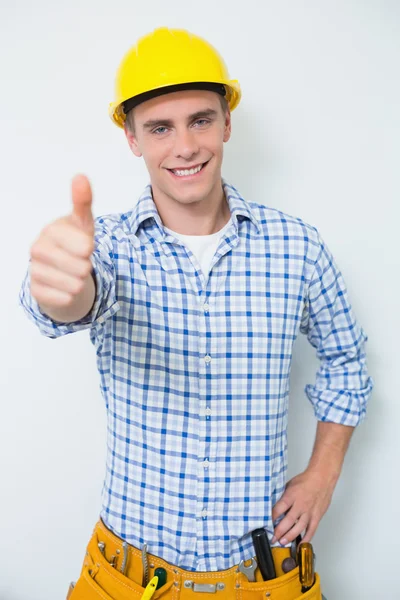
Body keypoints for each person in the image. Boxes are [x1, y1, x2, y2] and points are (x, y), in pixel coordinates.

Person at [19, 26, 373, 600]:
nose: (184, 146)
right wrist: (60, 291)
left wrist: (323, 475)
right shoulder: (107, 247)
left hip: (265, 580)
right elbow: (73, 300)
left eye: (200, 120)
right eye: (160, 127)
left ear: (227, 122)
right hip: (122, 581)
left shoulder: (297, 247)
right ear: (132, 138)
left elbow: (347, 361)